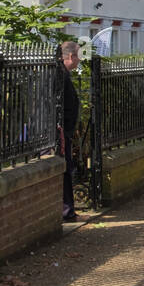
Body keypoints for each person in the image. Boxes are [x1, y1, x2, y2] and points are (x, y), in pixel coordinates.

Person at [58, 41, 82, 220]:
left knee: (66, 169)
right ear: (71, 56)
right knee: (65, 170)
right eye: (78, 55)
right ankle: (66, 211)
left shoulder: (62, 73)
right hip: (59, 132)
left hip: (63, 130)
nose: (80, 59)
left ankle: (67, 209)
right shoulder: (60, 75)